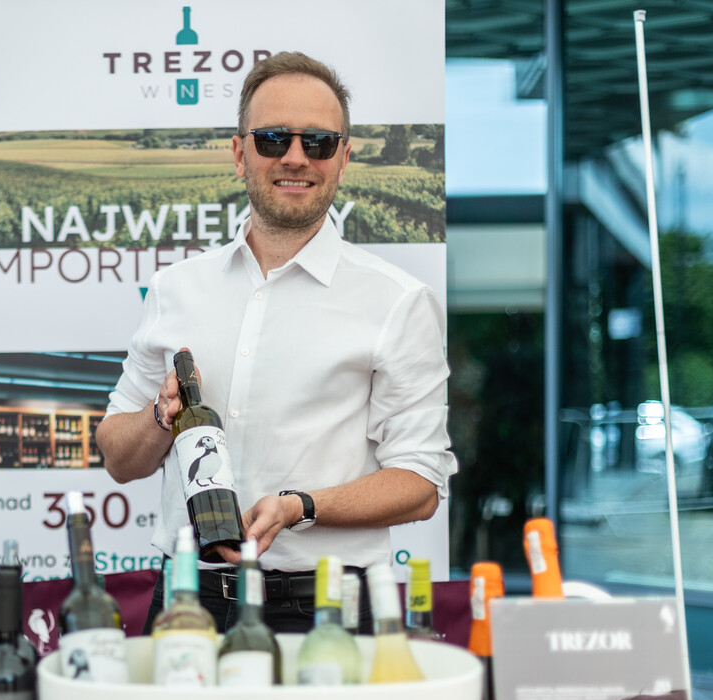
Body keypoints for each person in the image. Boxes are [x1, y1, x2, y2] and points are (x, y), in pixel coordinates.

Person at [94, 51, 456, 634]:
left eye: (318, 142)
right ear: (240, 154)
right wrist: (160, 418)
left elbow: (419, 485)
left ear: (343, 159)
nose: (295, 157)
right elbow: (117, 457)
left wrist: (300, 507)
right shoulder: (174, 289)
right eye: (272, 139)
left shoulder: (398, 300)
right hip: (187, 599)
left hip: (328, 610)